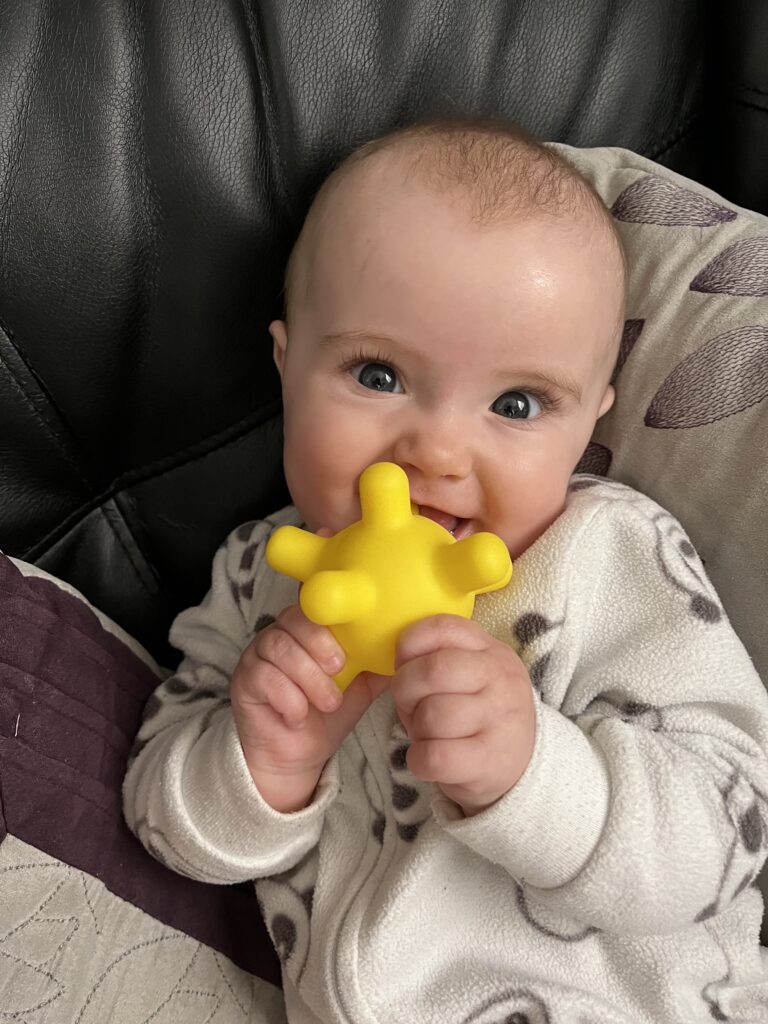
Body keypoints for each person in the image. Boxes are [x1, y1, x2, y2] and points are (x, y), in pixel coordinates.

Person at [123, 119, 768, 1023]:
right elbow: (161, 821)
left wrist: (537, 773)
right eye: (378, 375)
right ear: (287, 366)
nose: (437, 449)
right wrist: (264, 764)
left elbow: (733, 823)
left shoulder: (610, 555)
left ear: (589, 424)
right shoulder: (256, 580)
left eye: (517, 402)